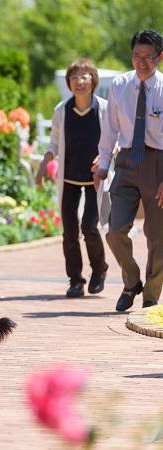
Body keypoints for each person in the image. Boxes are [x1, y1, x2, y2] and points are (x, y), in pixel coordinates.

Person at [95, 29, 163, 311]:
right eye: (137, 56)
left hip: (159, 164)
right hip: (125, 161)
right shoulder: (120, 85)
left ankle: (151, 295)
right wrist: (103, 164)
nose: (142, 62)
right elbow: (110, 127)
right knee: (113, 229)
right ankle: (131, 279)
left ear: (160, 57)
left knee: (158, 236)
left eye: (148, 57)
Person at [36, 59, 109, 298]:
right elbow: (54, 142)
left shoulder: (105, 109)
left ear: (93, 80)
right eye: (74, 77)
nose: (79, 80)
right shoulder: (62, 110)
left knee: (90, 227)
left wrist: (105, 157)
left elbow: (116, 138)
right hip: (69, 179)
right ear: (69, 82)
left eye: (85, 75)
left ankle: (99, 270)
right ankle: (75, 280)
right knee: (69, 232)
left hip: (95, 179)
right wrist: (44, 163)